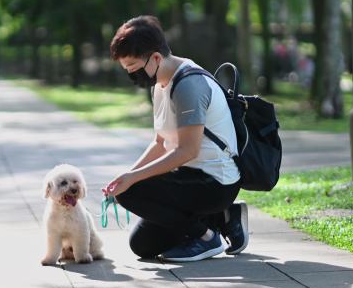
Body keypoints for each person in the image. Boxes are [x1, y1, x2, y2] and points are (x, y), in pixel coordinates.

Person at [104, 15, 248, 262]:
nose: (132, 76)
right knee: (142, 245)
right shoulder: (159, 84)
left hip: (215, 181)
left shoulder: (188, 85)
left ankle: (206, 238)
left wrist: (132, 180)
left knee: (130, 193)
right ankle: (219, 217)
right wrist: (126, 175)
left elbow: (187, 151)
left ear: (156, 58)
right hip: (189, 178)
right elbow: (161, 143)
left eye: (134, 69)